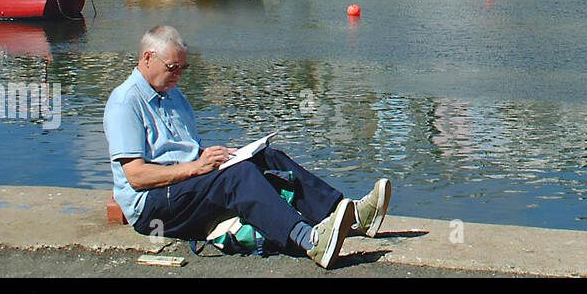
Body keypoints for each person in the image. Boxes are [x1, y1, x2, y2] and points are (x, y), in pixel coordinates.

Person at [104, 25, 392, 269]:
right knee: (237, 177)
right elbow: (136, 177)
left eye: (183, 68)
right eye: (173, 68)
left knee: (266, 157)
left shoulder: (172, 94)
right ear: (147, 58)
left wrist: (211, 157)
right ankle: (310, 240)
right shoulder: (125, 102)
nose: (178, 74)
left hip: (185, 184)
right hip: (152, 206)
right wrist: (195, 168)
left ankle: (349, 214)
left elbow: (186, 152)